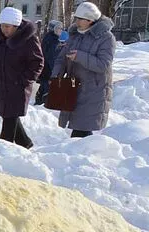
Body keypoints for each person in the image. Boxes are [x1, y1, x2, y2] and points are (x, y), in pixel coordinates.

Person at [0, 7, 43, 149]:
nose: (4, 29)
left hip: (18, 88)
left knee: (9, 122)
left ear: (16, 26)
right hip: (1, 86)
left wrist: (23, 81)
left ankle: (3, 151)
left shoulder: (28, 39)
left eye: (7, 27)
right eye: (2, 26)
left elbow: (38, 63)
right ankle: (26, 145)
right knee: (9, 117)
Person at [51, 2, 116, 138]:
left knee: (82, 129)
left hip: (94, 90)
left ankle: (85, 156)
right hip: (74, 88)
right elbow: (61, 58)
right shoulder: (75, 35)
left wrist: (79, 56)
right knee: (79, 129)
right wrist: (55, 76)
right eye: (76, 18)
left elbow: (103, 64)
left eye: (80, 19)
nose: (77, 22)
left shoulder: (106, 38)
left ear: (90, 20)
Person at [35, 20, 64, 105]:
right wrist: (55, 73)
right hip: (49, 71)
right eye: (58, 28)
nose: (61, 30)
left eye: (61, 28)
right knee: (47, 92)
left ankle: (39, 103)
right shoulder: (53, 41)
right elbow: (52, 57)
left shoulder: (49, 38)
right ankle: (42, 106)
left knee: (43, 88)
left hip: (45, 70)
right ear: (53, 29)